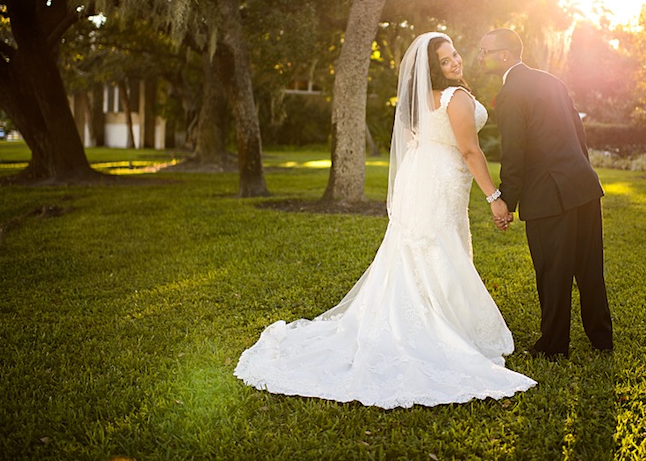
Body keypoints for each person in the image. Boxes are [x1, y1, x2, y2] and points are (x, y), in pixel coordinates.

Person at [234, 32, 536, 408]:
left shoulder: (420, 99)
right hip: (441, 179)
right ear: (433, 69)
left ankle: (420, 315)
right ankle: (439, 326)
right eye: (445, 61)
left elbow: (420, 139)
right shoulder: (455, 97)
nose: (455, 62)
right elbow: (470, 150)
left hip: (423, 174)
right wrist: (494, 198)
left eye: (455, 54)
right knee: (438, 246)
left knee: (423, 247)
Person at [478, 28, 613, 360]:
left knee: (553, 272)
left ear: (505, 55)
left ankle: (553, 345)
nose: (480, 57)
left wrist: (506, 199)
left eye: (485, 51)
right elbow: (578, 135)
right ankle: (602, 339)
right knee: (589, 269)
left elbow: (515, 154)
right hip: (583, 185)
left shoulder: (510, 93)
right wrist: (581, 172)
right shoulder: (552, 81)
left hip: (549, 197)